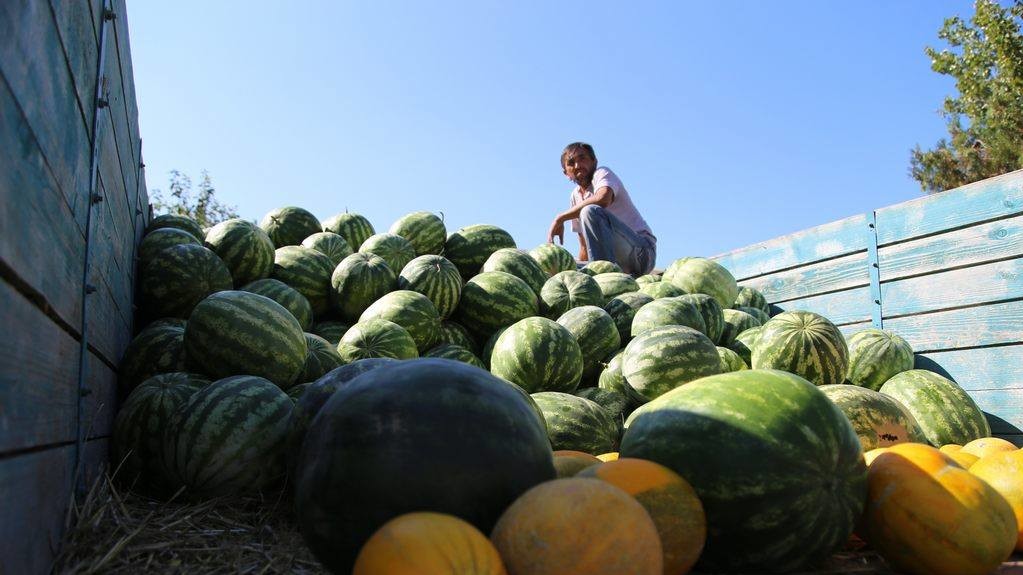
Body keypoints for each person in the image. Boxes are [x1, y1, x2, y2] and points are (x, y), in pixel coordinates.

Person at [546, 142, 657, 276]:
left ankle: (603, 276)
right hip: (617, 262)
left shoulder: (602, 173)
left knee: (590, 211)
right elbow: (585, 247)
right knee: (571, 269)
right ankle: (604, 274)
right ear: (566, 173)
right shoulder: (575, 196)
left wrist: (560, 218)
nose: (578, 165)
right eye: (571, 163)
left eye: (582, 158)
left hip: (642, 253)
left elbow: (603, 199)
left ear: (594, 161)